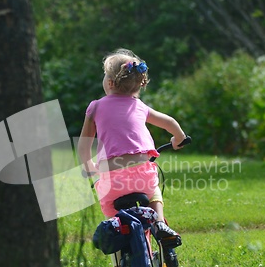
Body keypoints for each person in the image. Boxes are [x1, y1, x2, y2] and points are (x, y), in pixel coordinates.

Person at [77, 48, 187, 240]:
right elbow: (169, 122)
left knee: (113, 225)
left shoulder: (95, 107)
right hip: (141, 174)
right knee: (154, 193)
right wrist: (178, 139)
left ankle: (119, 261)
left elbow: (84, 145)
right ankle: (159, 223)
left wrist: (89, 168)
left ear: (110, 83)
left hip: (112, 179)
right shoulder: (140, 106)